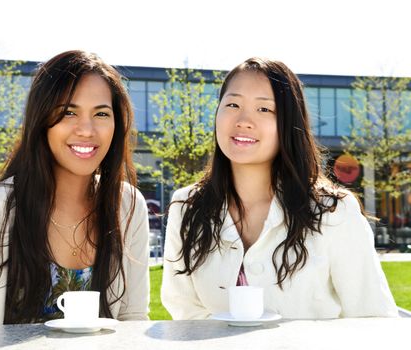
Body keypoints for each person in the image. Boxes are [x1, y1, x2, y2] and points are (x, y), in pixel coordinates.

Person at [0, 50, 150, 328]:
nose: (87, 130)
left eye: (101, 113)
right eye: (69, 112)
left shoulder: (127, 205)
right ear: (42, 120)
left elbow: (133, 321)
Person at [161, 57, 398, 320]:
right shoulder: (186, 206)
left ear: (288, 123)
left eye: (264, 109)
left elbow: (373, 319)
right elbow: (185, 313)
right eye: (232, 104)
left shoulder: (334, 211)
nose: (243, 120)